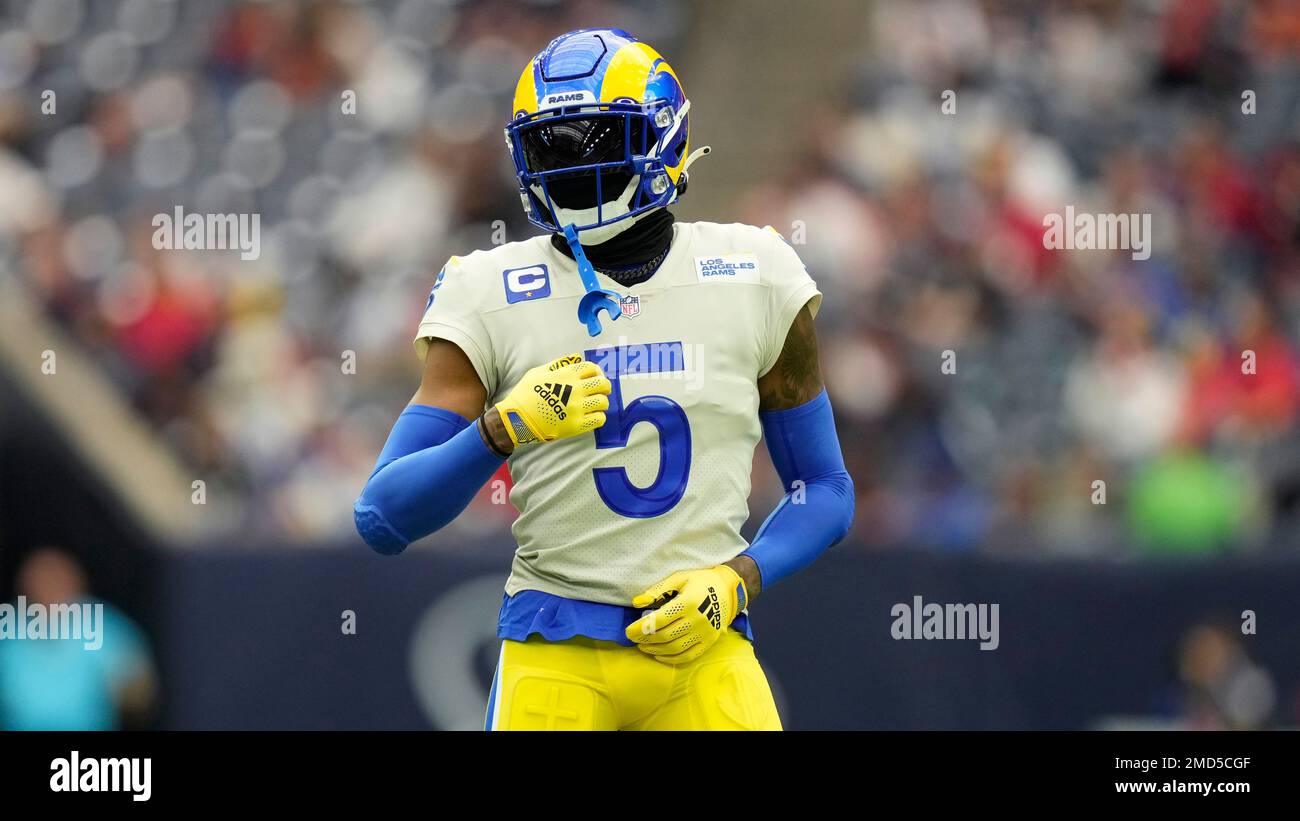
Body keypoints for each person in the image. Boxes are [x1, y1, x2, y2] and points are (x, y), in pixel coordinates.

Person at [354, 28, 854, 730]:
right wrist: (500, 430)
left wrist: (735, 578)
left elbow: (825, 490)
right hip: (555, 644)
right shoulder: (488, 288)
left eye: (595, 140)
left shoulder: (756, 272)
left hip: (701, 645)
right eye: (550, 145)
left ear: (661, 136)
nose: (569, 166)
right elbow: (383, 516)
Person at [0, 547, 156, 730]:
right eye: (40, 582)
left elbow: (141, 694)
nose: (48, 590)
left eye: (56, 581)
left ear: (76, 584)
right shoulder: (7, 628)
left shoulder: (103, 626)